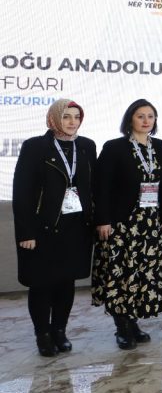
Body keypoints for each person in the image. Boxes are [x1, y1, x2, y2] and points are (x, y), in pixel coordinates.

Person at [12, 99, 96, 357]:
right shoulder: (35, 147)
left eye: (76, 117)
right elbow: (22, 192)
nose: (72, 122)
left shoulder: (87, 146)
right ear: (54, 118)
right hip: (43, 229)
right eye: (66, 116)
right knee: (41, 284)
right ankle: (43, 334)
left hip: (76, 227)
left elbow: (92, 187)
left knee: (66, 283)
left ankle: (60, 331)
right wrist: (26, 232)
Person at [92, 100, 162, 350]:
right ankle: (122, 327)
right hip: (121, 223)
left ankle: (133, 322)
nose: (146, 121)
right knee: (121, 275)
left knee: (140, 274)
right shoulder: (114, 148)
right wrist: (103, 220)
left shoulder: (161, 147)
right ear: (130, 119)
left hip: (149, 224)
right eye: (140, 116)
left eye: (151, 116)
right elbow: (101, 187)